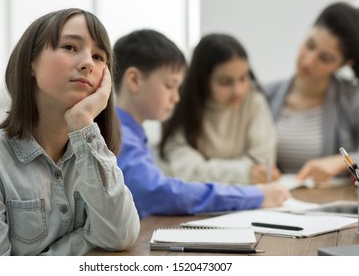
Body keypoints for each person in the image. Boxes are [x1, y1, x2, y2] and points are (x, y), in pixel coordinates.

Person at [0, 8, 139, 256]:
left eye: (98, 56)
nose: (87, 64)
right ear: (31, 62)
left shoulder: (91, 154)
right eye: (70, 47)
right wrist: (86, 239)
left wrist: (83, 121)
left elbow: (120, 235)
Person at [113, 29, 290, 219]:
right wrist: (255, 195)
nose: (176, 97)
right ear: (134, 80)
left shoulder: (131, 135)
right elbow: (160, 193)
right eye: (170, 86)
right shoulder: (121, 137)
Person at [158, 34, 280, 185]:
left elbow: (263, 164)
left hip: (252, 199)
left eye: (243, 78)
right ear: (203, 80)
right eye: (225, 82)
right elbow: (186, 171)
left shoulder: (254, 100)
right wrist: (244, 172)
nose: (238, 90)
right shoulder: (178, 104)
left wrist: (209, 170)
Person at [264, 2, 359, 182]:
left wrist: (341, 162)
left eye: (325, 59)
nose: (309, 61)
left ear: (344, 64)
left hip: (330, 205)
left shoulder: (356, 100)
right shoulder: (265, 95)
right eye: (310, 45)